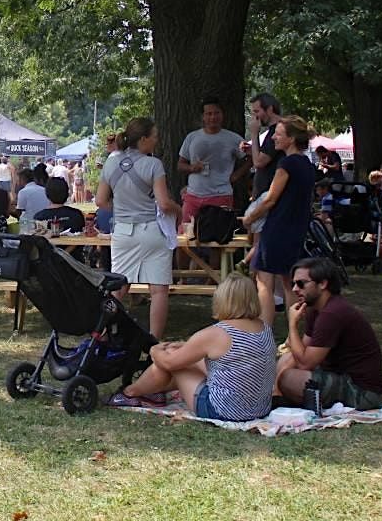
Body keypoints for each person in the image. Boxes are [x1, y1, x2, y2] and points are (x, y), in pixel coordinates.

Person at [106, 274, 276, 421]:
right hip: (259, 409)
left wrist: (154, 350)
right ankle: (153, 392)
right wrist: (186, 347)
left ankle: (129, 393)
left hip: (221, 410)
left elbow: (169, 363)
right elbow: (235, 357)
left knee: (172, 358)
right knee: (182, 356)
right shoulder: (264, 328)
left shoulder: (217, 333)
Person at [95, 117, 180, 340]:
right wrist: (178, 209)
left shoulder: (111, 163)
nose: (156, 140)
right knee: (158, 290)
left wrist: (121, 208)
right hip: (151, 229)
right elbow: (163, 203)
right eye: (154, 136)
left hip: (123, 230)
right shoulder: (153, 165)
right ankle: (154, 341)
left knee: (118, 287)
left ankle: (100, 331)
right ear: (143, 139)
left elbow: (100, 201)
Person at [277, 258, 382, 411]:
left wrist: (292, 325)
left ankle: (285, 397)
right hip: (338, 375)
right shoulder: (316, 309)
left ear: (322, 283)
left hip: (362, 391)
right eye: (293, 284)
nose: (295, 289)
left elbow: (305, 363)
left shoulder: (332, 314)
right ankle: (277, 396)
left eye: (301, 284)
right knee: (286, 359)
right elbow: (301, 352)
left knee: (289, 379)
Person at [242, 115, 317, 326]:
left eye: (278, 134)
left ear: (291, 139)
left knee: (263, 281)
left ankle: (264, 330)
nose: (274, 137)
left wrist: (250, 218)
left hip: (278, 228)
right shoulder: (306, 164)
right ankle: (293, 332)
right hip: (297, 228)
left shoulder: (286, 164)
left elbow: (270, 199)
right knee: (288, 282)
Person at [178, 97, 246, 225]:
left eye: (216, 113)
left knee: (219, 233)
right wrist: (192, 168)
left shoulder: (233, 139)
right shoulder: (192, 137)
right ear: (203, 117)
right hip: (193, 196)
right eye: (209, 114)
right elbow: (180, 165)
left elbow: (251, 157)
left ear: (222, 115)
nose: (213, 117)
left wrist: (237, 175)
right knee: (186, 232)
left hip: (221, 195)